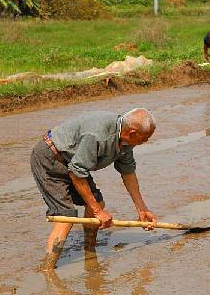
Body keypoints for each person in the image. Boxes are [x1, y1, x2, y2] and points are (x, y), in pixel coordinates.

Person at [30, 108, 158, 270]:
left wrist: (142, 209)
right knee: (66, 217)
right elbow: (77, 174)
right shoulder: (98, 135)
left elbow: (128, 173)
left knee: (98, 202)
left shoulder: (125, 141)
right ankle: (47, 269)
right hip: (51, 158)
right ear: (132, 133)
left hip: (72, 162)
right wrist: (98, 212)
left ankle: (89, 250)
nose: (145, 142)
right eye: (145, 138)